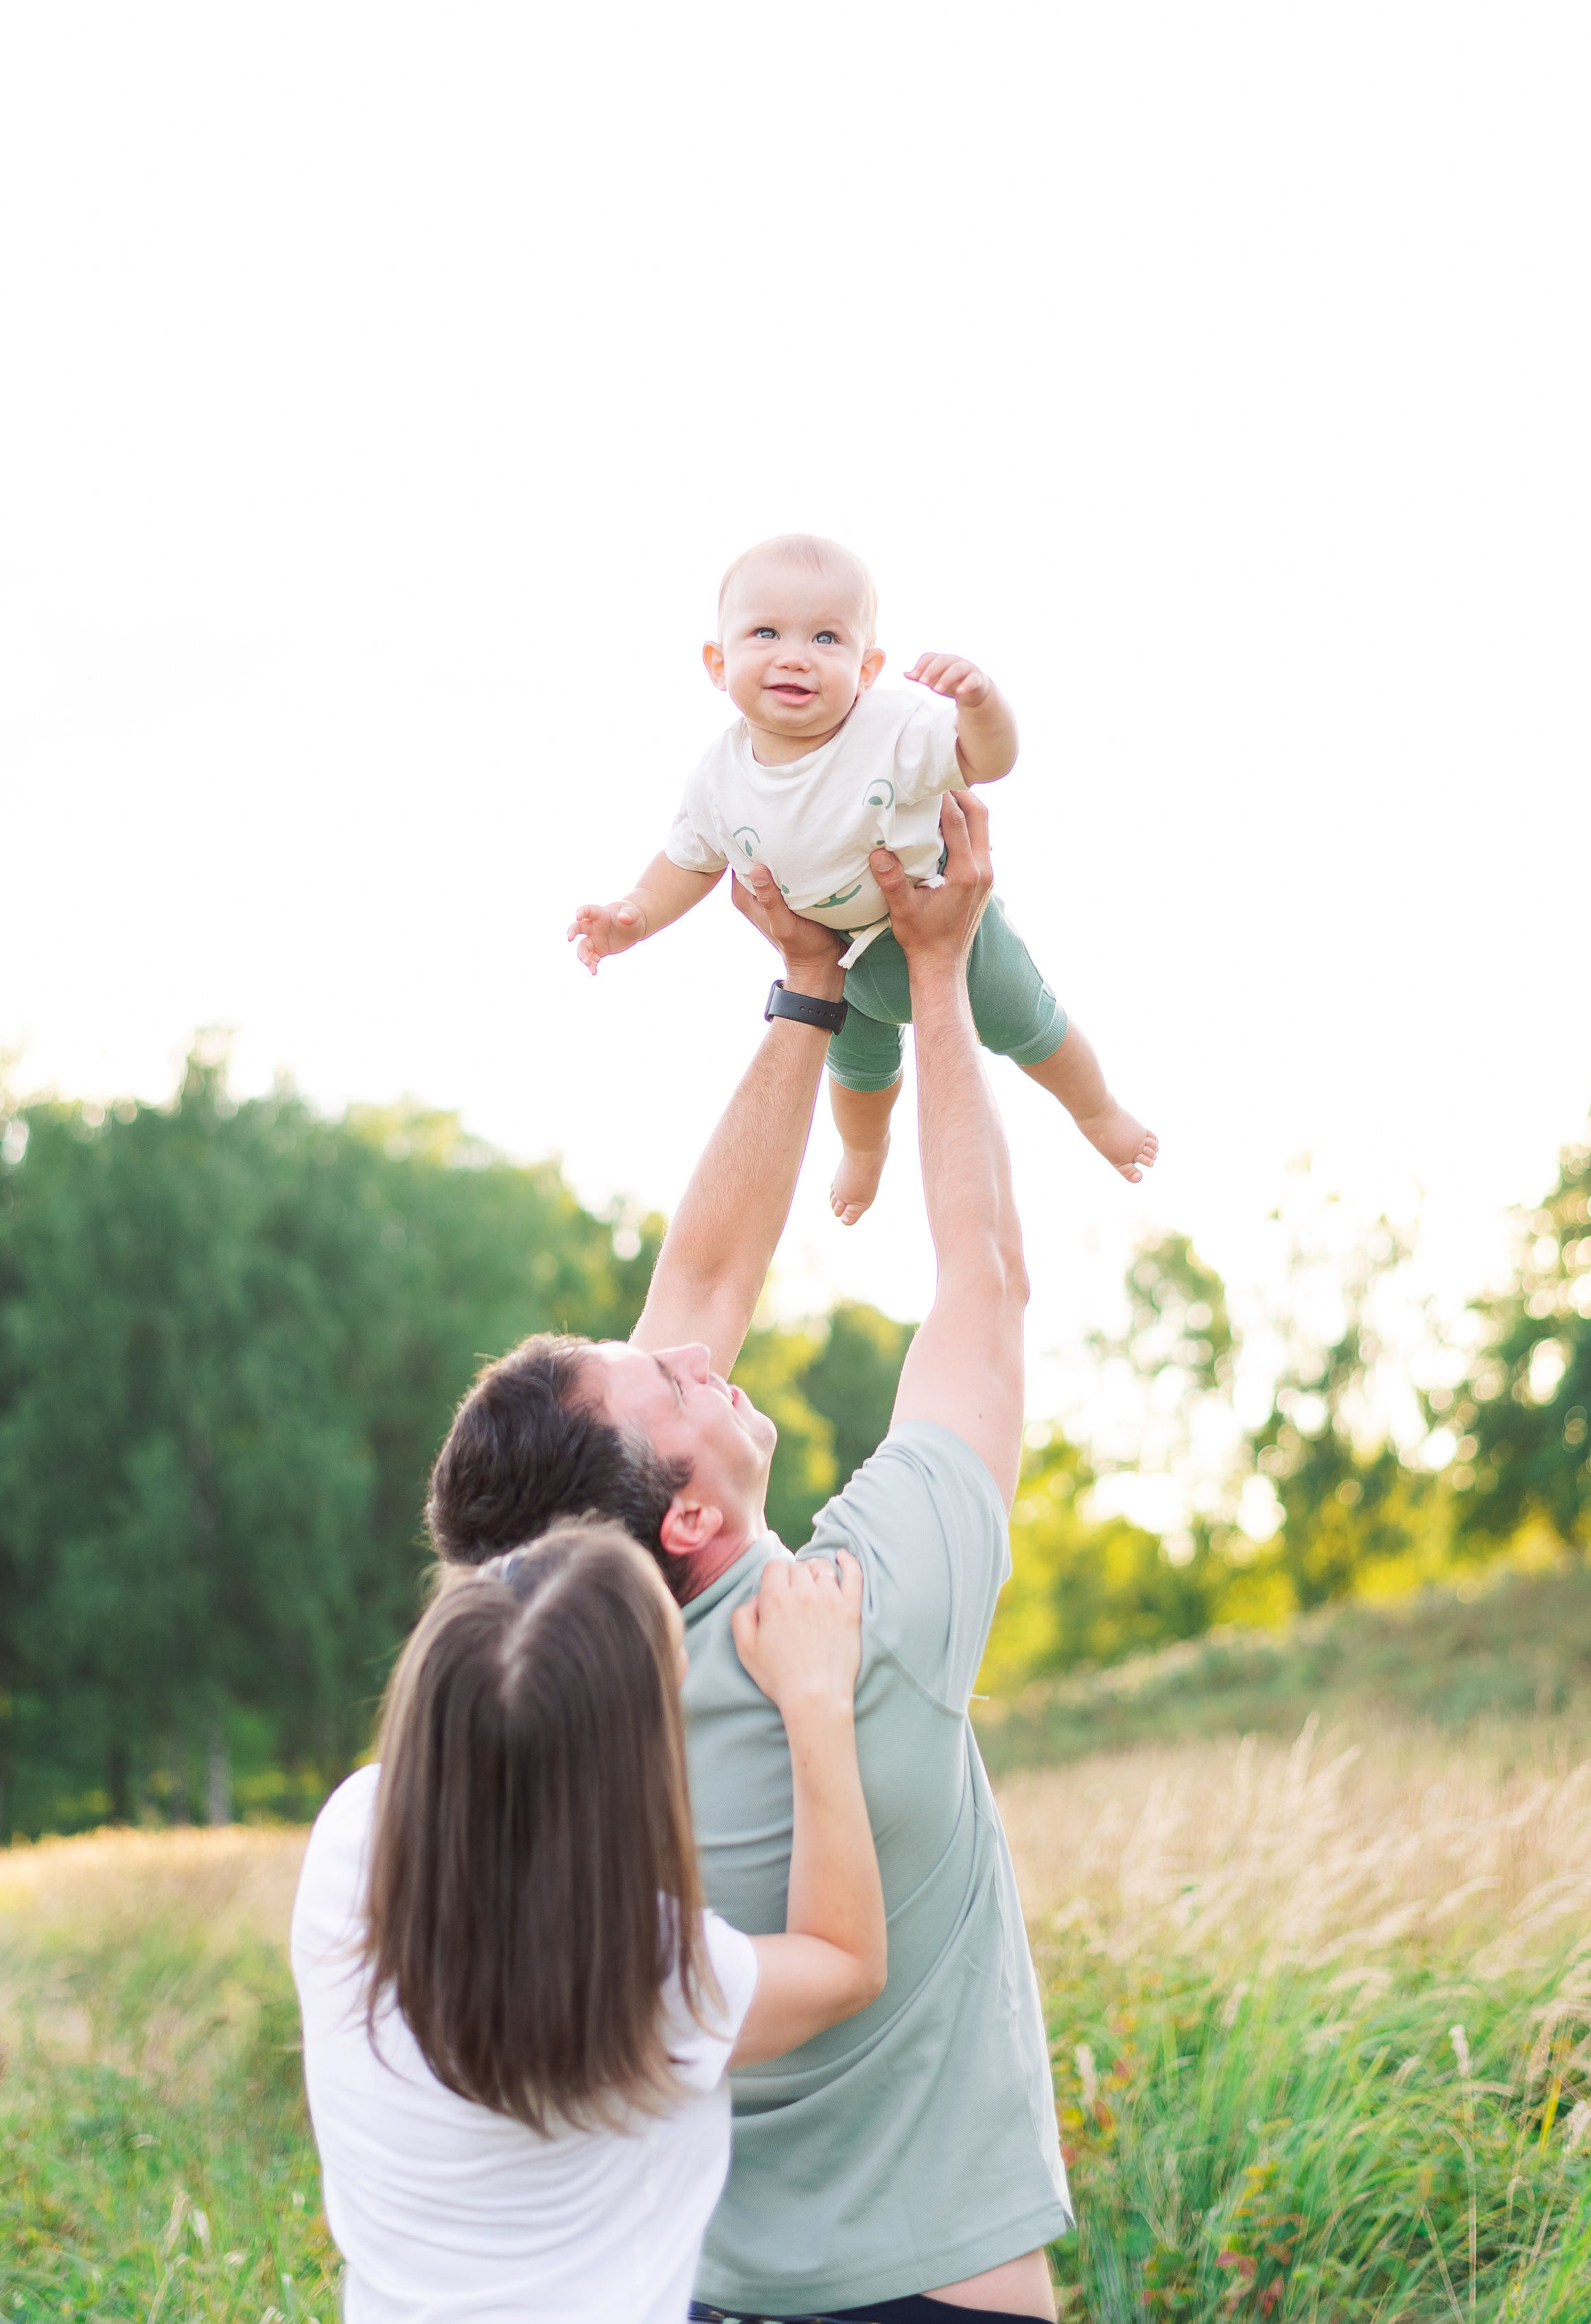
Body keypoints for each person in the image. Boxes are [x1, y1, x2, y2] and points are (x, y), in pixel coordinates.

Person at [432, 787, 1072, 2321]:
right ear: (688, 1522)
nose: (692, 1353)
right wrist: (934, 970)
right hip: (945, 2296)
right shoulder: (867, 1615)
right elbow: (980, 1282)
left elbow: (701, 1283)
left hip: (694, 2293)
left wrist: (803, 987)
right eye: (664, 1379)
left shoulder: (543, 1713)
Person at [290, 1520, 885, 2324]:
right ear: (629, 1764)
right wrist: (817, 1695)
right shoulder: (647, 1969)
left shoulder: (348, 1843)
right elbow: (844, 1960)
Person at [567, 529, 1158, 1222]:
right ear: (717, 662)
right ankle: (865, 1156)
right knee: (858, 1078)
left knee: (1032, 1027)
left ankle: (1098, 1113)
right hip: (842, 956)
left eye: (826, 639)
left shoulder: (889, 732)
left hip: (945, 922)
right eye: (765, 633)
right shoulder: (717, 778)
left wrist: (981, 703)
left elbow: (985, 759)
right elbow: (688, 861)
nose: (795, 656)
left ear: (868, 666)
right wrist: (633, 915)